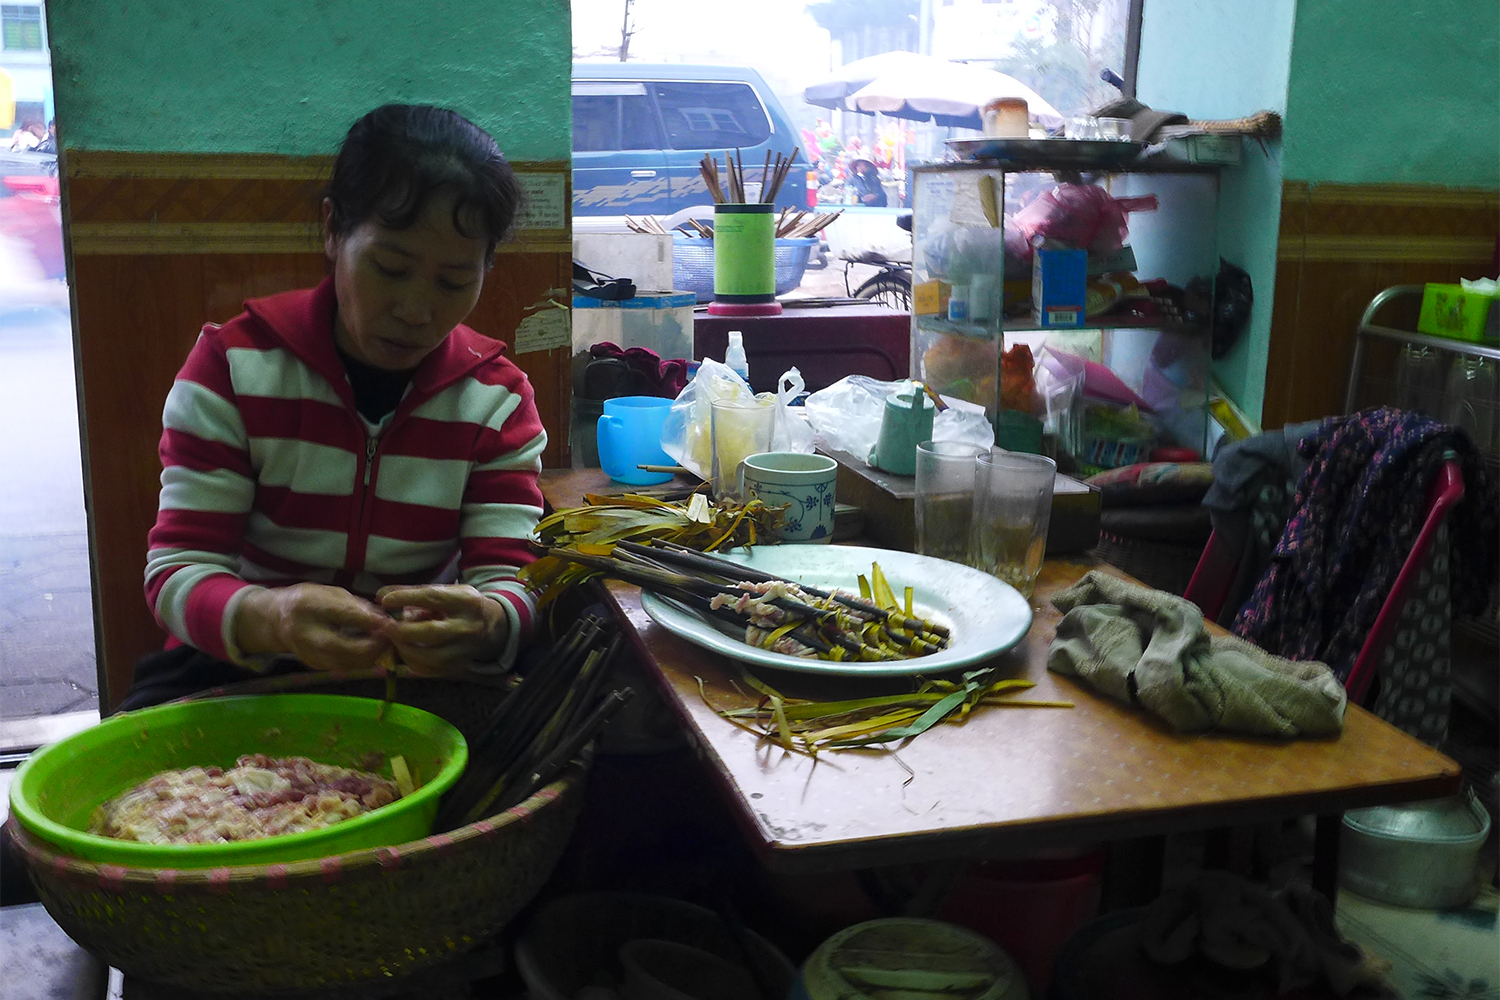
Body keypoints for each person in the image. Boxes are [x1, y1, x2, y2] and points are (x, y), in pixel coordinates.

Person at [118, 104, 546, 710]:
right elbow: (178, 572)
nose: (417, 310)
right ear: (332, 230)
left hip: (417, 676)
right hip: (246, 667)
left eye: (453, 282)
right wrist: (273, 617)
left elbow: (514, 578)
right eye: (390, 268)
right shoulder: (235, 369)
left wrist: (492, 621)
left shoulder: (496, 401)